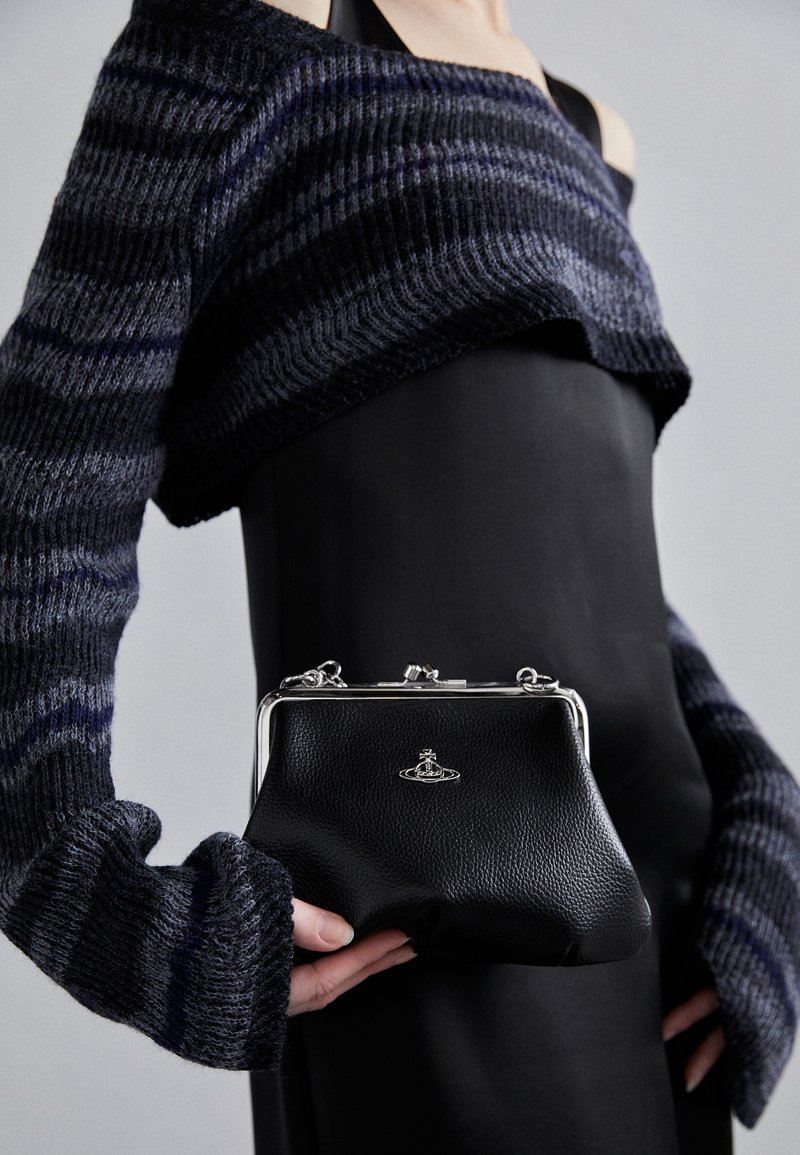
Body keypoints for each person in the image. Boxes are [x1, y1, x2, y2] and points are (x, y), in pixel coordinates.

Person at [1, 0, 798, 1152]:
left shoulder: (591, 134)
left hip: (668, 915)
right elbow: (39, 492)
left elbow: (568, 554)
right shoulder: (250, 35)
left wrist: (759, 795)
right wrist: (85, 891)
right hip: (431, 894)